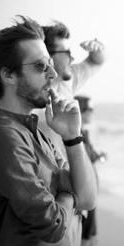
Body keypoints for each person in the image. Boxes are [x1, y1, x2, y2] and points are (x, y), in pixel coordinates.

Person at [0, 16, 97, 246]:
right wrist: (69, 193)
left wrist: (72, 136)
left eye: (50, 63)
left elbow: (89, 200)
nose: (52, 74)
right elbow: (53, 225)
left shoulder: (34, 130)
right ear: (8, 75)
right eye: (40, 66)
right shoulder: (1, 136)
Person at [40, 21, 105, 155]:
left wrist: (97, 49)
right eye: (67, 53)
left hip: (71, 169)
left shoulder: (67, 82)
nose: (73, 58)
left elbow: (96, 61)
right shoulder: (32, 94)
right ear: (48, 56)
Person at [75, 96, 107, 246]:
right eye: (90, 110)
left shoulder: (82, 133)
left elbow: (88, 158)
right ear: (80, 111)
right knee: (87, 236)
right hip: (85, 194)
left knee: (90, 235)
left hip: (89, 192)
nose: (92, 113)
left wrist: (99, 156)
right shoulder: (74, 135)